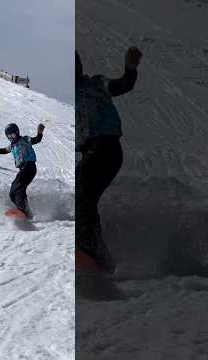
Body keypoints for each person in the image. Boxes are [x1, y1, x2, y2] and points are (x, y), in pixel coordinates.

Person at [75, 47, 142, 273]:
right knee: (85, 201)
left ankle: (89, 247)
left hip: (106, 146)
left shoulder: (95, 84)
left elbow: (122, 85)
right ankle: (100, 257)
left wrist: (130, 69)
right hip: (90, 152)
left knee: (81, 192)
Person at [0, 123, 45, 218]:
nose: (11, 137)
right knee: (12, 193)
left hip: (29, 166)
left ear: (17, 133)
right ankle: (26, 212)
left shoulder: (25, 139)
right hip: (23, 169)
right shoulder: (12, 145)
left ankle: (22, 209)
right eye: (9, 136)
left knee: (18, 186)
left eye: (12, 135)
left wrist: (39, 133)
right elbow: (3, 150)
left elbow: (36, 140)